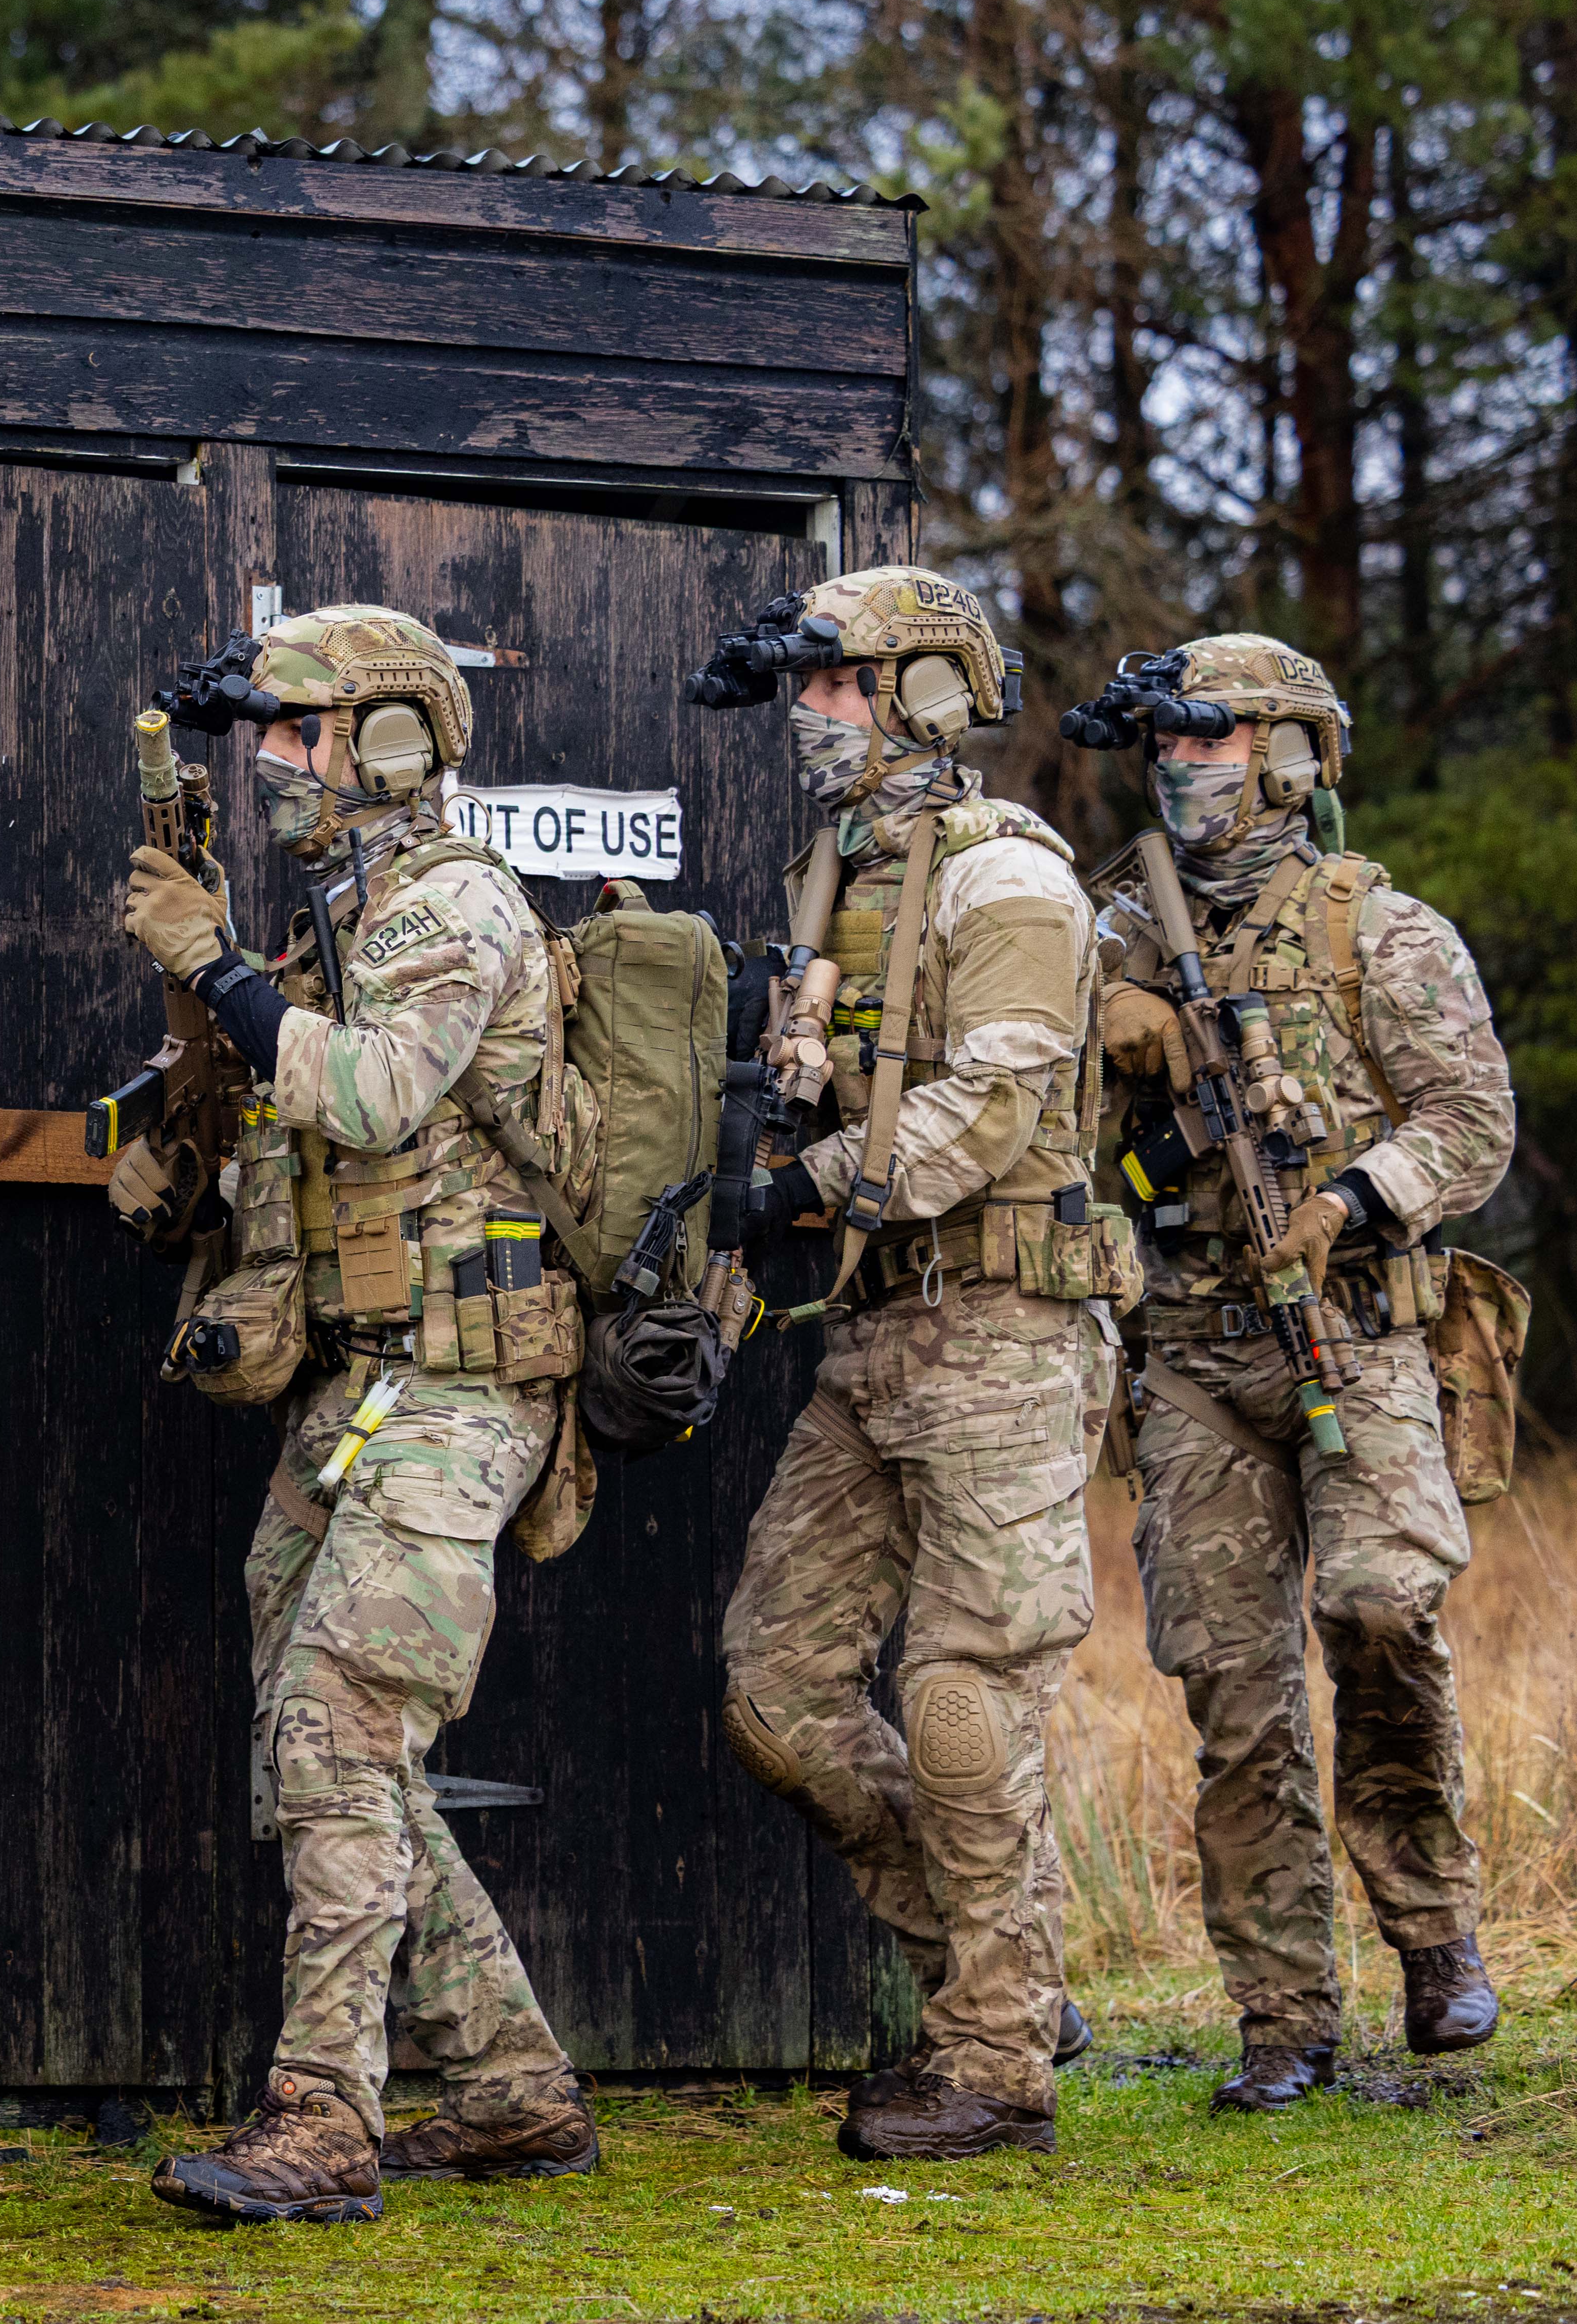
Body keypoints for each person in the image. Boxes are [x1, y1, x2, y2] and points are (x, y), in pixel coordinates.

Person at [117, 603, 599, 2226]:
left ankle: (323, 2119)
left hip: (461, 1384)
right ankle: (513, 2089)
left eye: (298, 731)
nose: (268, 761)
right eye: (259, 731)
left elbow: (377, 1089)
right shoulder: (344, 915)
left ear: (393, 740)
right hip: (357, 1389)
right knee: (329, 1750)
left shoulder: (450, 902)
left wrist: (209, 961)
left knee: (336, 1725)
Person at [702, 567, 1134, 2160]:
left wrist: (806, 1188)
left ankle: (997, 2063)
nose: (811, 719)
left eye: (839, 688)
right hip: (876, 1328)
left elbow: (999, 1108)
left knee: (961, 1699)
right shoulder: (839, 873)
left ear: (927, 698)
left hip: (1007, 1330)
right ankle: (994, 1958)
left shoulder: (1007, 875)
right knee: (777, 1691)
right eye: (804, 691)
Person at [1085, 633, 1515, 2111]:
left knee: (1379, 1608)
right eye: (1171, 741)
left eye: (1216, 737)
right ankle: (1281, 2016)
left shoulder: (1374, 930)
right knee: (1231, 1684)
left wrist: (1347, 1199)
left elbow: (1471, 1122)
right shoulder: (1105, 930)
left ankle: (1435, 1935)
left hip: (1352, 1327)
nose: (1185, 762)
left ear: (1290, 753)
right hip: (1192, 1349)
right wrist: (1107, 1037)